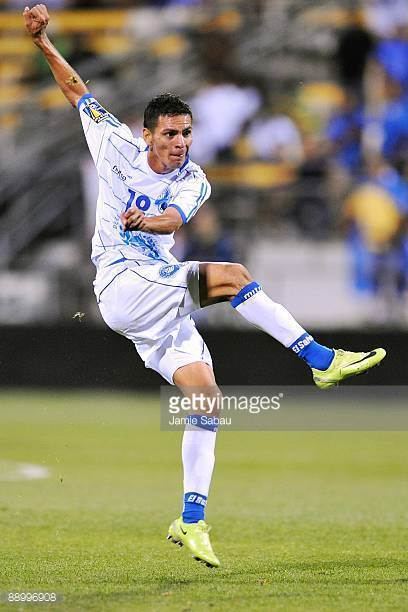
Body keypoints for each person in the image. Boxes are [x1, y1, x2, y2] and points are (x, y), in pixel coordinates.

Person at [23, 4, 386, 569]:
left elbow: (173, 220)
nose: (180, 142)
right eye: (170, 134)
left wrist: (147, 221)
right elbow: (75, 90)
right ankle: (318, 358)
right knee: (234, 277)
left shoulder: (195, 179)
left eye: (187, 134)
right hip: (122, 284)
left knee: (208, 403)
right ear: (147, 134)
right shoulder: (114, 144)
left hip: (159, 296)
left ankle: (190, 521)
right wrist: (45, 41)